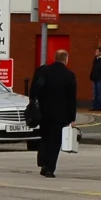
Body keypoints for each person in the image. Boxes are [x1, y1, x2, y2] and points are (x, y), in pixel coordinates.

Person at [31, 46, 80, 178]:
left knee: (44, 138)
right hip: (61, 114)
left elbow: (36, 88)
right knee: (55, 142)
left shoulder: (44, 71)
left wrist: (34, 104)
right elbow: (72, 98)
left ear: (55, 58)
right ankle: (49, 168)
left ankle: (42, 163)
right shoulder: (69, 75)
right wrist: (72, 117)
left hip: (44, 112)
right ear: (66, 60)